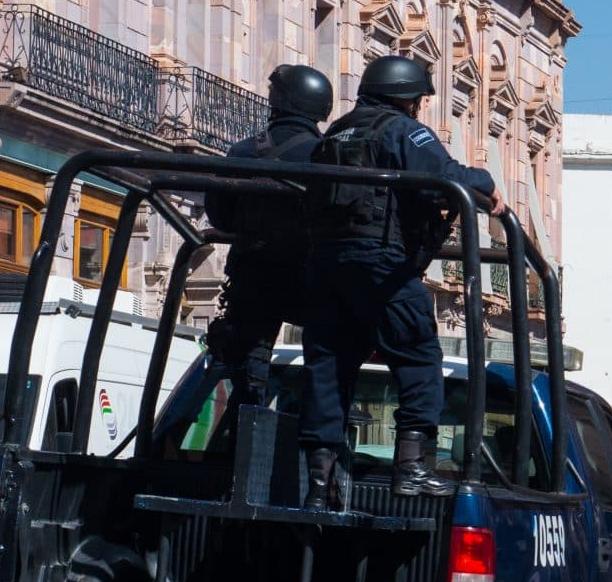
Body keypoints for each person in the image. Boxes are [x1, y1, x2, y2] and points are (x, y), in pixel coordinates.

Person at [300, 54, 506, 507]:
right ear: (406, 98)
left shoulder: (335, 133)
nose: (419, 108)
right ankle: (412, 467)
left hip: (326, 266)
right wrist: (485, 182)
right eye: (418, 100)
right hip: (381, 263)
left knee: (328, 368)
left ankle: (318, 481)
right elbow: (443, 178)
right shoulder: (400, 130)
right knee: (418, 357)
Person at [202, 64, 333, 417]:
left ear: (278, 102)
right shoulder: (329, 156)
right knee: (326, 353)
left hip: (254, 273)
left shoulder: (246, 151)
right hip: (311, 276)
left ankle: (247, 433)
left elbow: (219, 214)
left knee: (250, 366)